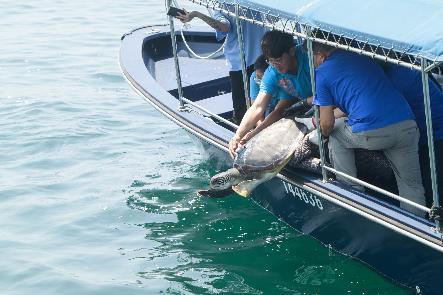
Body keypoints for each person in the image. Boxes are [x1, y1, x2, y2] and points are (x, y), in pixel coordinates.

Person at [312, 43, 426, 216]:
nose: (312, 64)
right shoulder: (362, 56)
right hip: (407, 124)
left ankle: (351, 194)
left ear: (320, 54)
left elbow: (327, 123)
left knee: (335, 132)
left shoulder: (322, 72)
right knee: (412, 185)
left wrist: (321, 134)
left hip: (372, 131)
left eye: (312, 59)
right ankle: (416, 228)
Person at [229, 30, 313, 157]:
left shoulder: (310, 58)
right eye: (271, 61)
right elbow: (257, 107)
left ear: (291, 51)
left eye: (278, 60)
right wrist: (239, 136)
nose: (275, 65)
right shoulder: (272, 72)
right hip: (308, 107)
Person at [177, 7, 267, 124]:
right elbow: (224, 27)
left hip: (248, 59)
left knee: (249, 105)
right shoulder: (221, 6)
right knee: (250, 103)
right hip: (250, 57)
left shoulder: (221, 6)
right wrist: (196, 14)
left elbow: (224, 28)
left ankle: (248, 124)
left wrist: (196, 14)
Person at [385, 64, 443, 207]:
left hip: (431, 134)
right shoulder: (409, 67)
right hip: (432, 126)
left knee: (432, 187)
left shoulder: (391, 80)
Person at [249, 55, 278, 126]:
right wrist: (261, 128)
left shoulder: (279, 76)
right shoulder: (254, 77)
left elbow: (280, 109)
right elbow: (255, 108)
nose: (259, 81)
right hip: (267, 105)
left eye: (261, 78)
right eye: (258, 78)